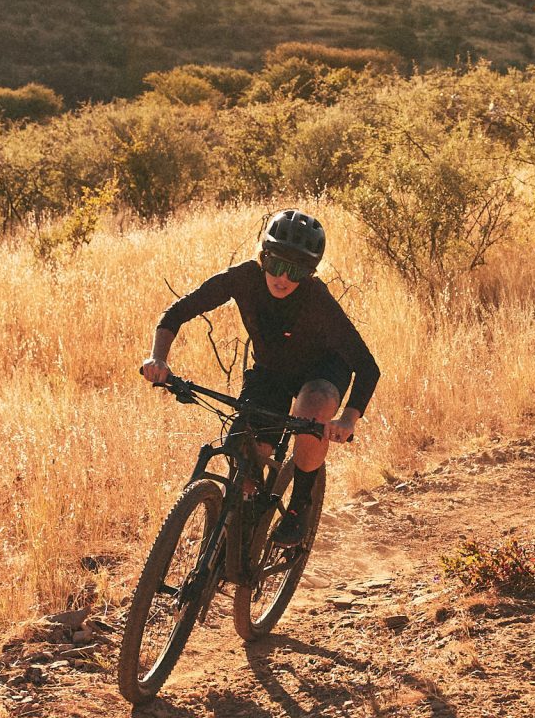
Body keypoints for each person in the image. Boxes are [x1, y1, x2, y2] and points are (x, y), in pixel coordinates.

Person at [140, 209, 378, 548]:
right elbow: (177, 312)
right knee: (248, 451)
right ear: (262, 256)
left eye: (295, 271)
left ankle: (299, 508)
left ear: (309, 273)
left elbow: (367, 366)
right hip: (273, 371)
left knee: (311, 410)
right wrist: (158, 358)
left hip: (322, 371)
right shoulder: (243, 278)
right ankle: (242, 529)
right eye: (276, 264)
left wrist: (348, 419)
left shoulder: (316, 299)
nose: (282, 278)